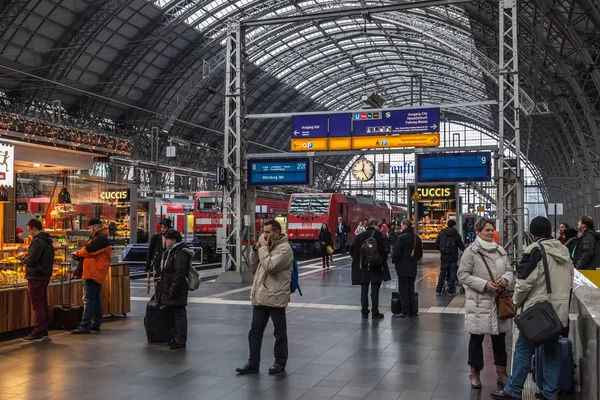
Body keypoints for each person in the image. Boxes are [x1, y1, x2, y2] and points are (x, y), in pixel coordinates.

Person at [491, 217, 574, 400]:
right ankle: (550, 393)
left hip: (537, 312)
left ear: (533, 234)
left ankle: (513, 389)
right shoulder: (564, 250)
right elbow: (570, 279)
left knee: (523, 349)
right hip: (558, 312)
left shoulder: (534, 250)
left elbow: (523, 284)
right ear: (550, 231)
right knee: (552, 352)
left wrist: (515, 303)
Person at [457, 218, 514, 389]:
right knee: (476, 338)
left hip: (498, 302)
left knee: (500, 339)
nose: (490, 233)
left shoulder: (500, 251)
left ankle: (502, 373)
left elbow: (510, 271)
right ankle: (475, 373)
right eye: (487, 230)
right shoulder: (471, 252)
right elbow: (462, 275)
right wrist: (484, 285)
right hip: (479, 303)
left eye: (492, 230)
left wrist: (505, 279)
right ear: (478, 232)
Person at [236, 220, 293, 376]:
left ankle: (280, 362)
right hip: (261, 295)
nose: (264, 235)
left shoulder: (284, 249)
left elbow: (270, 266)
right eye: (263, 232)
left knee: (279, 333)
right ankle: (253, 362)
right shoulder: (266, 247)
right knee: (254, 332)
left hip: (275, 297)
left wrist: (264, 249)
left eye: (267, 232)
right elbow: (254, 265)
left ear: (277, 232)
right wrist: (256, 249)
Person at [16, 218, 54, 341]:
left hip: (36, 276)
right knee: (43, 304)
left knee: (37, 305)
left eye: (29, 230)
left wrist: (22, 257)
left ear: (34, 228)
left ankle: (37, 332)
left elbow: (32, 261)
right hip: (44, 276)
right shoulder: (48, 240)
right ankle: (44, 331)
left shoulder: (38, 241)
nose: (29, 233)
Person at [71, 218, 111, 334]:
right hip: (95, 272)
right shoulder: (100, 237)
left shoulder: (101, 238)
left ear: (95, 227)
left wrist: (77, 253)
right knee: (95, 299)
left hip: (93, 273)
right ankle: (96, 323)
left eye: (89, 228)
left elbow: (88, 250)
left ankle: (85, 326)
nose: (89, 230)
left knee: (88, 300)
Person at [157, 230, 193, 350]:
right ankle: (176, 338)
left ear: (173, 240)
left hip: (177, 290)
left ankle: (181, 340)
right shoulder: (171, 252)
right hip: (170, 289)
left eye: (167, 239)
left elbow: (179, 274)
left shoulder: (180, 253)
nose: (165, 241)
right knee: (174, 315)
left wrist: (172, 291)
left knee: (179, 315)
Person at [351, 218, 390, 320]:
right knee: (375, 290)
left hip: (363, 267)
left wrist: (361, 260)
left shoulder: (359, 236)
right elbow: (383, 250)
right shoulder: (378, 234)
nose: (379, 227)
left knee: (364, 290)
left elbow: (352, 251)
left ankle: (364, 312)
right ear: (374, 225)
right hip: (376, 266)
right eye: (378, 225)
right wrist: (381, 260)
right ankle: (375, 313)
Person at [392, 219, 423, 318]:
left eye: (401, 225)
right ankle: (412, 310)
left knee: (403, 289)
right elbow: (420, 254)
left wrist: (396, 260)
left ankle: (405, 310)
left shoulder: (400, 237)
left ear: (405, 225)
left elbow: (396, 253)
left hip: (402, 267)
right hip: (412, 266)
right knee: (411, 288)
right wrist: (413, 260)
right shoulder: (416, 238)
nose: (400, 227)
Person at [434, 219, 466, 295]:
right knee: (452, 273)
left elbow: (436, 244)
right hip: (453, 257)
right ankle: (451, 290)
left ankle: (439, 289)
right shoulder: (456, 234)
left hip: (444, 257)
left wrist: (442, 250)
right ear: (454, 225)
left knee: (442, 273)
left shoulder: (441, 233)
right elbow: (461, 246)